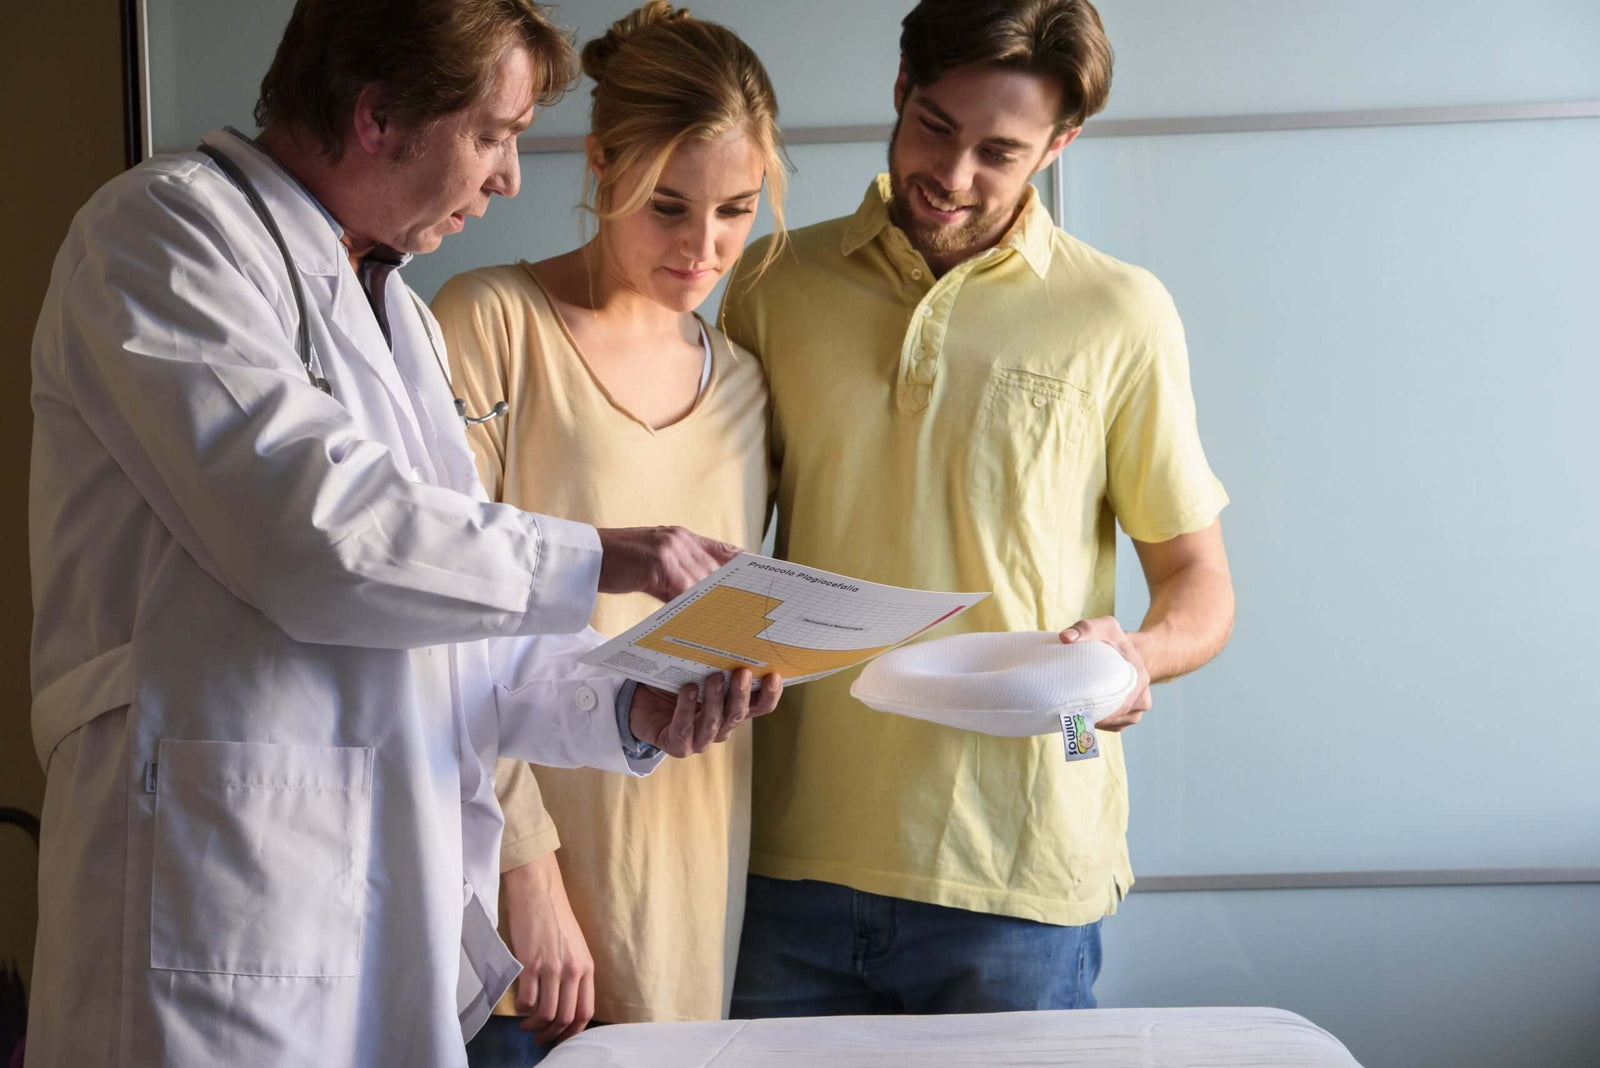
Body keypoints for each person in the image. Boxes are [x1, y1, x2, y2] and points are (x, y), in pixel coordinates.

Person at [24, 2, 781, 1065]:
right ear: (378, 116)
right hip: (217, 903)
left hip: (375, 898)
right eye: (492, 134)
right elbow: (319, 540)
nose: (510, 177)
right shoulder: (160, 234)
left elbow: (458, 631)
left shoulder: (397, 313)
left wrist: (629, 705)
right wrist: (611, 552)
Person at [721, 0, 1235, 1018]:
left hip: (1017, 872)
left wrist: (1137, 655)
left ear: (1060, 145)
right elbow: (719, 544)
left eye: (999, 152)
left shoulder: (1119, 312)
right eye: (934, 128)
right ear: (901, 88)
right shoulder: (773, 281)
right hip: (786, 856)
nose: (952, 177)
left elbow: (1198, 582)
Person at [431, 5, 786, 1064]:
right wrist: (525, 875)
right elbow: (438, 614)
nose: (703, 248)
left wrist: (761, 667)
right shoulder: (488, 324)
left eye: (736, 210)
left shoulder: (745, 387)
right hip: (514, 901)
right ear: (600, 162)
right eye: (669, 205)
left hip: (683, 880)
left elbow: (716, 618)